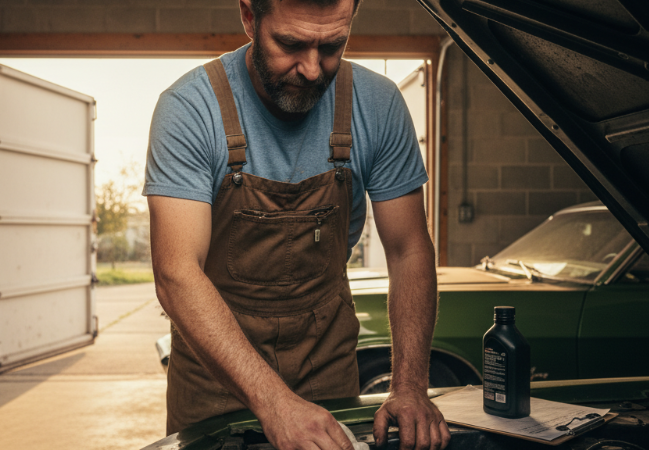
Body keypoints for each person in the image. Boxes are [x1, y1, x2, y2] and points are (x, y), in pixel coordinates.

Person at [143, 0, 451, 448]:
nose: (311, 69)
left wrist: (409, 388)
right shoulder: (190, 109)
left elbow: (408, 249)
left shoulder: (378, 106)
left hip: (326, 366)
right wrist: (274, 403)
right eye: (290, 44)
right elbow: (176, 274)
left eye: (332, 45)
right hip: (214, 380)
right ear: (250, 17)